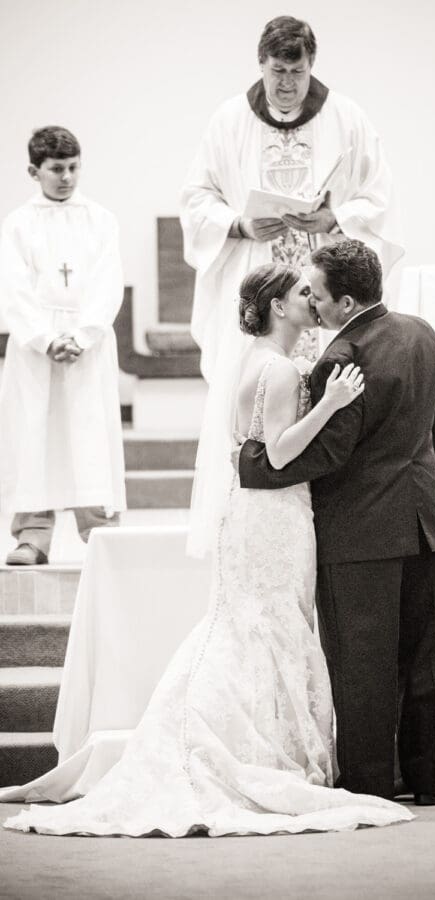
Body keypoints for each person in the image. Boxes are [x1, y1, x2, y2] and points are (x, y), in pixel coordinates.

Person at [3, 263, 412, 836]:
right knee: (268, 626)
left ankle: (235, 736)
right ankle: (246, 748)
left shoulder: (248, 362)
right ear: (276, 306)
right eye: (302, 295)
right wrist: (332, 404)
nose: (311, 303)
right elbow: (277, 454)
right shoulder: (281, 369)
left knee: (251, 625)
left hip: (252, 518)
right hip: (274, 518)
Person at [239, 240, 435, 804]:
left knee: (363, 664)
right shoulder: (423, 333)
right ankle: (431, 779)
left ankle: (370, 785)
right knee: (426, 658)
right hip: (426, 518)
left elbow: (329, 452)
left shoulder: (344, 355)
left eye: (316, 293)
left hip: (359, 530)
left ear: (346, 301)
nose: (310, 301)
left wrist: (254, 464)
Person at [181, 15, 403, 558]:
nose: (286, 83)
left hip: (325, 276)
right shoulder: (230, 120)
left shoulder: (346, 117)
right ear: (261, 64)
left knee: (333, 384)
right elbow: (195, 197)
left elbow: (379, 195)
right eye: (277, 71)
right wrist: (238, 223)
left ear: (311, 65)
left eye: (297, 72)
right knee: (256, 389)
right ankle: (243, 513)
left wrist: (336, 218)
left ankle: (334, 509)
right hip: (261, 273)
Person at [0, 126, 126, 565]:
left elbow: (109, 283)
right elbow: (12, 290)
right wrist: (46, 337)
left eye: (73, 167)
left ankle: (100, 533)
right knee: (33, 436)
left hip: (86, 344)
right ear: (34, 171)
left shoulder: (100, 219)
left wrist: (84, 334)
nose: (67, 177)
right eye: (56, 169)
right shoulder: (17, 224)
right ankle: (32, 535)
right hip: (36, 349)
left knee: (89, 436)